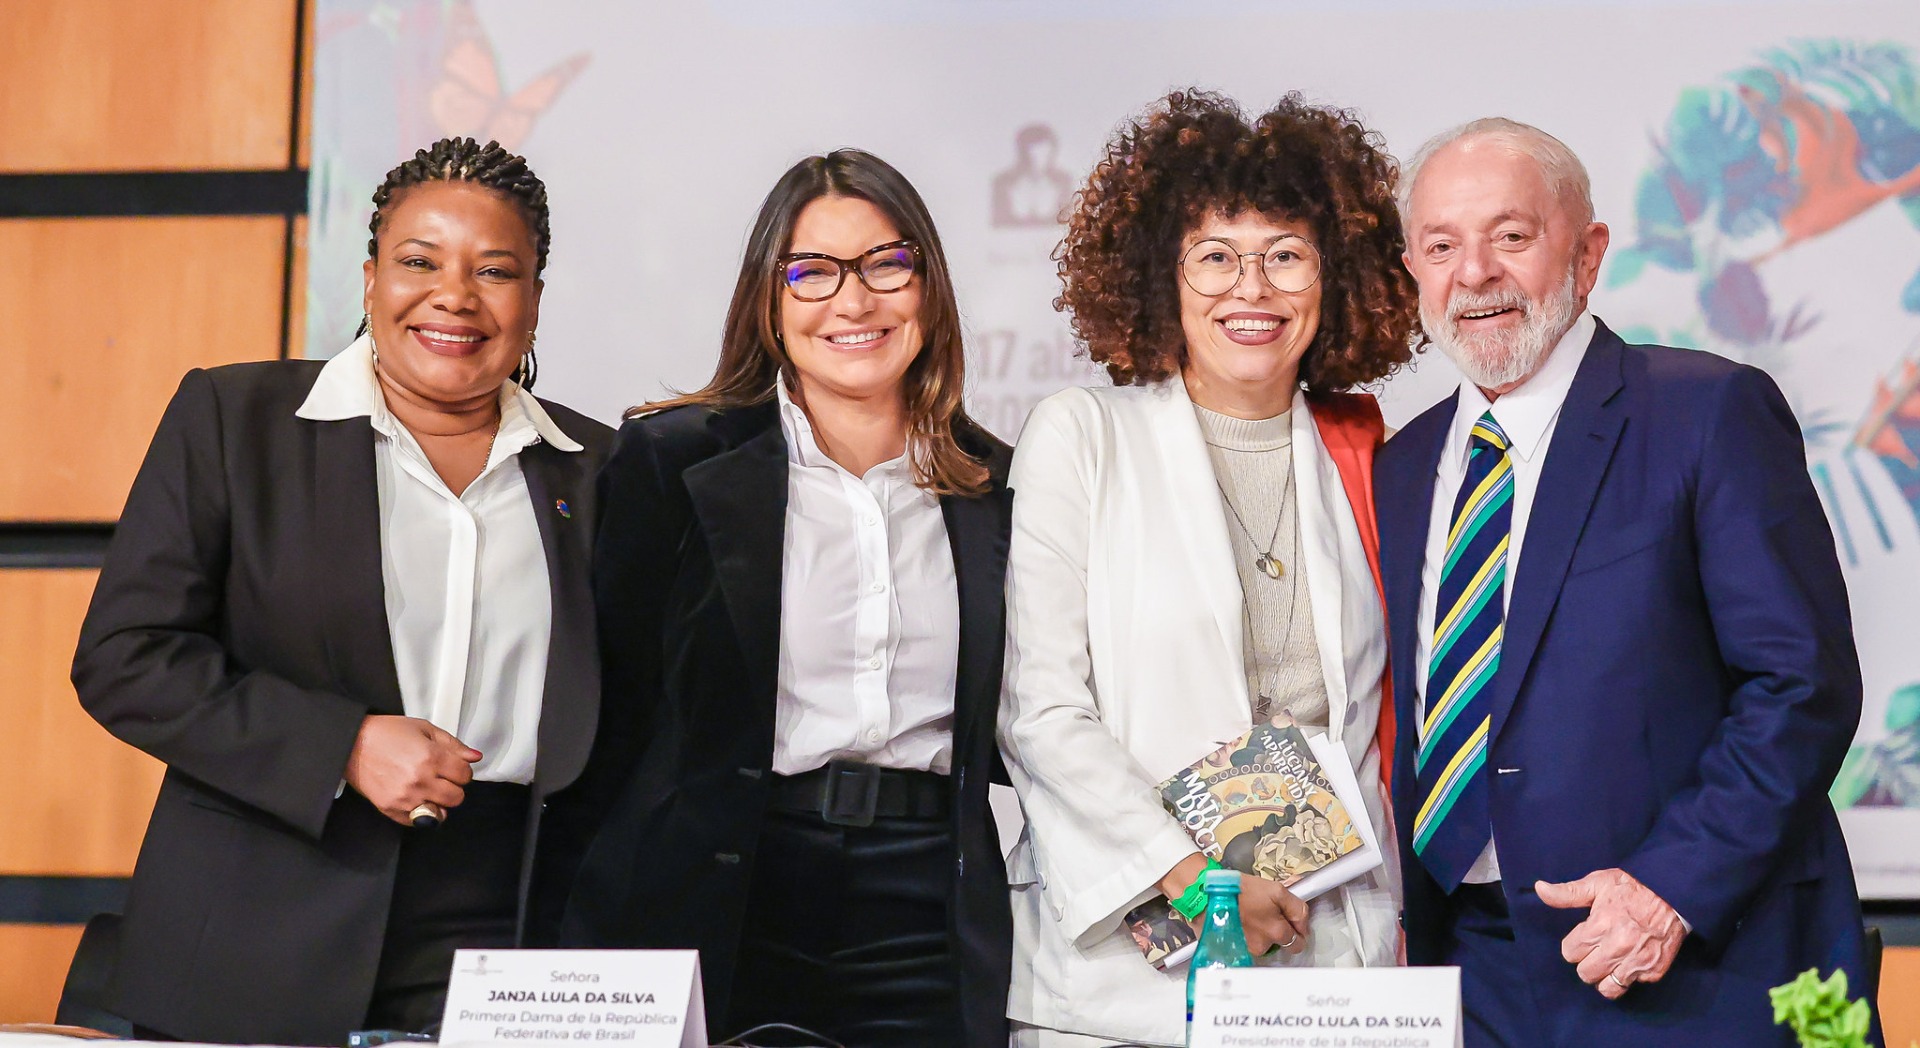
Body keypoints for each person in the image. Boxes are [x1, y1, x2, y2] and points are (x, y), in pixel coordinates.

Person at [69, 137, 613, 1045]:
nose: (455, 295)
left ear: (534, 301)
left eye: (496, 271)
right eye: (418, 261)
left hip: (509, 939)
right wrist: (342, 746)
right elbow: (126, 661)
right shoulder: (235, 421)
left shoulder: (603, 471)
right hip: (257, 922)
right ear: (369, 281)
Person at [1376, 117, 1877, 1046]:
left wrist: (1670, 889)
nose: (1474, 272)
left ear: (1589, 250)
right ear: (1413, 269)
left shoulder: (1705, 410)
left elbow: (1801, 685)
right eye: (1441, 246)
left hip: (1686, 961)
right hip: (1467, 974)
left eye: (1512, 236)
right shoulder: (1402, 467)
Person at [544, 149, 1013, 1048]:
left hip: (925, 903)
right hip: (726, 889)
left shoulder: (995, 486)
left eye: (886, 264)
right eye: (813, 273)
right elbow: (609, 721)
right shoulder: (674, 461)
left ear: (929, 287)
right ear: (769, 297)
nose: (854, 301)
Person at [1000, 91, 1419, 1047]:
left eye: (1286, 255)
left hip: (1333, 960)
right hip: (1129, 970)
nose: (1252, 289)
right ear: (1161, 275)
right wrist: (1198, 878)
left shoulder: (1361, 450)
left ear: (1335, 277)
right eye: (1215, 257)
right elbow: (1042, 708)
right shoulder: (1085, 436)